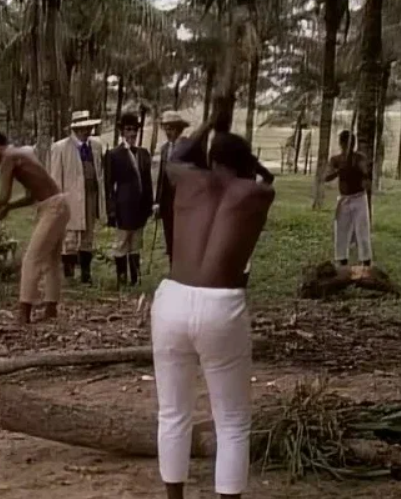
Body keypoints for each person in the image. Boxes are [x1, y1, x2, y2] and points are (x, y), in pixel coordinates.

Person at [150, 117, 275, 499]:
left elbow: (177, 156)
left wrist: (208, 124)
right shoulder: (257, 194)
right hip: (221, 305)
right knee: (232, 422)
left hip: (172, 299)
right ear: (245, 163)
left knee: (173, 413)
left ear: (212, 158)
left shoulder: (187, 179)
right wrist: (249, 162)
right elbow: (266, 178)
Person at [0, 132, 69, 325]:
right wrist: (9, 208)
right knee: (51, 260)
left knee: (31, 259)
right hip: (57, 204)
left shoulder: (9, 157)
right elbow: (30, 196)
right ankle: (51, 308)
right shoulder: (22, 153)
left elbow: (3, 196)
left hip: (53, 207)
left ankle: (24, 312)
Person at [49, 110, 106, 284]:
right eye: (83, 128)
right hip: (70, 198)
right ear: (75, 130)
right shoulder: (60, 148)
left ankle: (86, 274)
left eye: (89, 128)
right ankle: (69, 274)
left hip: (90, 196)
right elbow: (56, 178)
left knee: (88, 235)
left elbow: (99, 173)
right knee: (70, 237)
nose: (86, 131)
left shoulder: (96, 146)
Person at [105, 113, 154, 286]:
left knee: (136, 243)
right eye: (128, 129)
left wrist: (150, 204)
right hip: (123, 206)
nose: (132, 133)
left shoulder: (144, 153)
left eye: (134, 130)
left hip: (140, 206)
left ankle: (135, 278)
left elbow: (148, 182)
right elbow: (108, 186)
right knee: (122, 242)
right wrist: (111, 210)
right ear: (122, 131)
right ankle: (122, 278)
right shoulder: (113, 154)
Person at [325, 130, 373, 269]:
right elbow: (326, 177)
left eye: (350, 144)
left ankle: (366, 260)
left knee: (362, 229)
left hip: (359, 198)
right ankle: (342, 259)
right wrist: (339, 170)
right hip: (344, 199)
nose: (348, 147)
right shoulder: (336, 160)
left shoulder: (359, 158)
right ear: (341, 144)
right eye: (345, 144)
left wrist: (362, 171)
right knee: (341, 229)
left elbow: (366, 179)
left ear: (354, 144)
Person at [155, 111, 191, 266]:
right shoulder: (164, 149)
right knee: (170, 238)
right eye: (166, 128)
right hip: (167, 202)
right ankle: (173, 268)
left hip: (184, 201)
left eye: (171, 128)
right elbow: (161, 178)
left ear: (179, 129)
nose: (168, 132)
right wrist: (157, 202)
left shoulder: (188, 147)